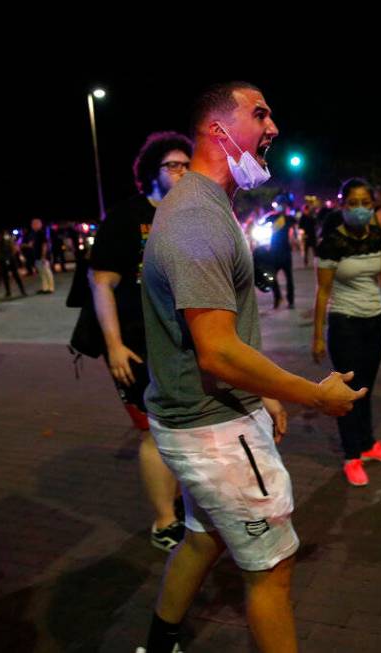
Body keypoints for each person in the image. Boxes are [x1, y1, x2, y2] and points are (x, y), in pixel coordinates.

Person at [137, 81, 364, 653]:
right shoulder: (196, 217)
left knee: (204, 537)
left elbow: (221, 337)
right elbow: (215, 350)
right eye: (260, 115)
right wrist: (315, 395)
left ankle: (159, 640)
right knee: (273, 568)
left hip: (210, 416)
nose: (273, 128)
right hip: (212, 428)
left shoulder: (208, 206)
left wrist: (264, 394)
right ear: (218, 129)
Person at [88, 130, 193, 552]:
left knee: (183, 427)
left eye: (188, 165)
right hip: (137, 343)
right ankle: (165, 521)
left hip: (182, 342)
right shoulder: (125, 218)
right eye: (173, 165)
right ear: (152, 171)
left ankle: (183, 504)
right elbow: (102, 285)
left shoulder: (189, 217)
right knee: (156, 432)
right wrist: (113, 345)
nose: (183, 172)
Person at [313, 177, 381, 486]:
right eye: (353, 203)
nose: (361, 209)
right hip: (345, 323)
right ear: (342, 206)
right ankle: (351, 455)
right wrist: (317, 335)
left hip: (375, 321)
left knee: (368, 386)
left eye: (366, 203)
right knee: (348, 392)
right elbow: (323, 292)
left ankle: (367, 445)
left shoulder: (377, 237)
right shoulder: (331, 243)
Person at [268, 193, 298, 309]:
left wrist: (295, 240)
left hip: (285, 252)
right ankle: (277, 297)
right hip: (274, 252)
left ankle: (291, 301)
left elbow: (294, 231)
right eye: (279, 204)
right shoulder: (271, 217)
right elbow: (260, 225)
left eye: (283, 204)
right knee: (272, 277)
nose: (281, 206)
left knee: (289, 278)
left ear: (286, 206)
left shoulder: (290, 219)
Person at [0, 229, 27, 298]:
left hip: (7, 259)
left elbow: (11, 248)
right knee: (11, 276)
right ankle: (17, 291)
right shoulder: (4, 239)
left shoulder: (3, 239)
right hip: (7, 259)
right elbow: (11, 248)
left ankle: (13, 292)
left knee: (11, 276)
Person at [31, 218, 55, 294]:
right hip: (37, 257)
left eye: (34, 224)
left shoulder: (41, 233)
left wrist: (43, 256)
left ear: (39, 224)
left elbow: (44, 245)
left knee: (47, 272)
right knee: (42, 273)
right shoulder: (35, 234)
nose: (32, 225)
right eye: (32, 224)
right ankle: (45, 288)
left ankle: (51, 288)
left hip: (43, 257)